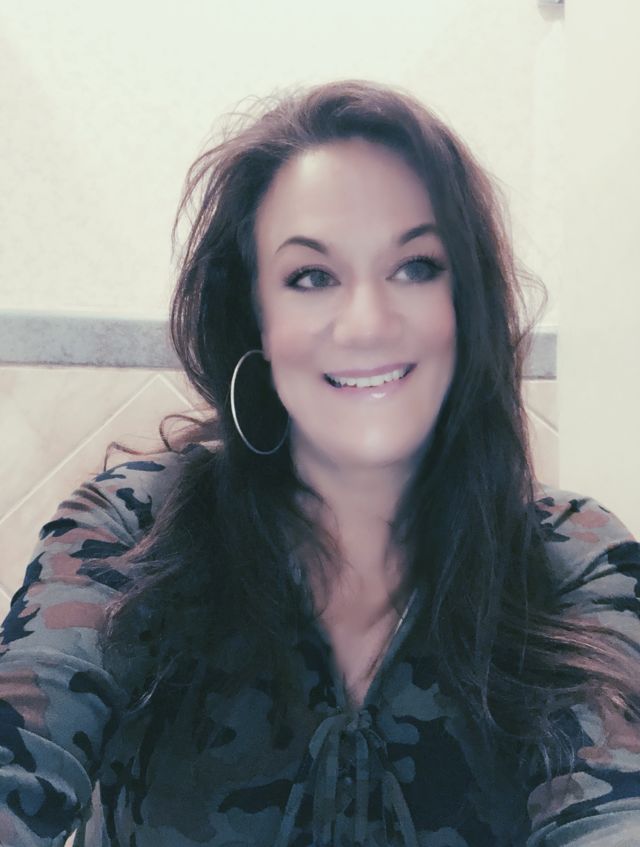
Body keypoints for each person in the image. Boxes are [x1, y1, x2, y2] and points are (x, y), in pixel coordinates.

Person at [1, 79, 639, 847]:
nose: (366, 323)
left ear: (468, 307)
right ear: (257, 320)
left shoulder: (571, 559)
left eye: (416, 266)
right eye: (311, 277)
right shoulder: (133, 527)